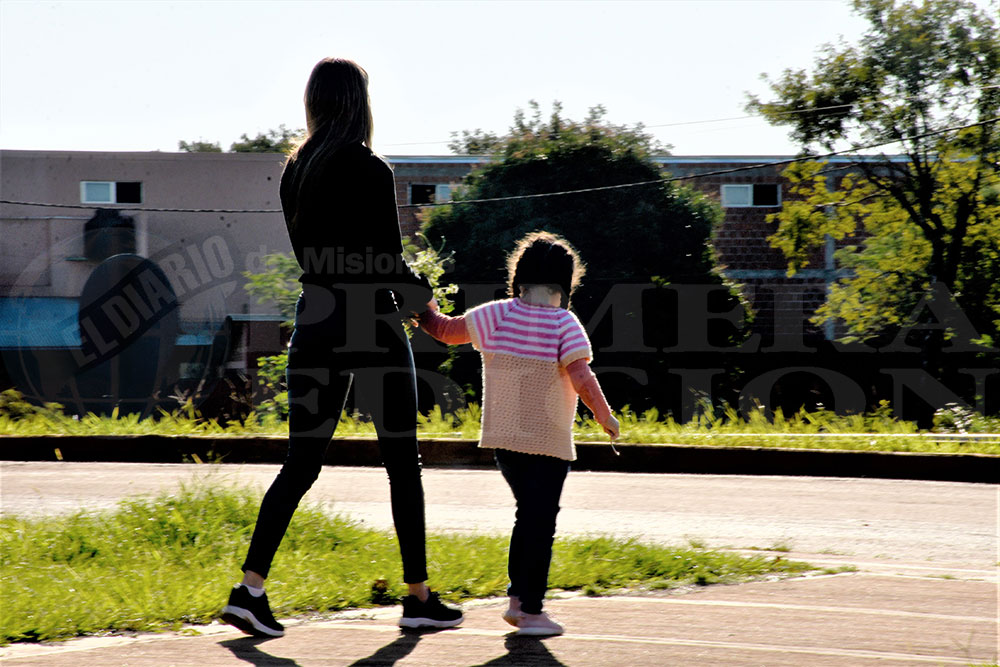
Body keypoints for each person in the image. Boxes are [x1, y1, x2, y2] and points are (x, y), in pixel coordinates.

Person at [221, 58, 463, 637]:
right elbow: (386, 261)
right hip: (371, 323)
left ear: (314, 103)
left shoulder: (295, 171)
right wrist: (425, 305)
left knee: (301, 462)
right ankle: (418, 598)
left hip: (316, 320)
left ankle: (249, 590)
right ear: (359, 102)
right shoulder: (371, 169)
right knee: (402, 462)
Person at [414, 230, 620, 636]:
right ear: (565, 282)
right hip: (547, 442)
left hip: (505, 441)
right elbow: (582, 377)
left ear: (519, 277)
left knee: (528, 517)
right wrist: (605, 417)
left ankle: (517, 602)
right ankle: (531, 610)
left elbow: (444, 330)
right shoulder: (564, 323)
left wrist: (423, 304)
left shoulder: (495, 315)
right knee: (540, 524)